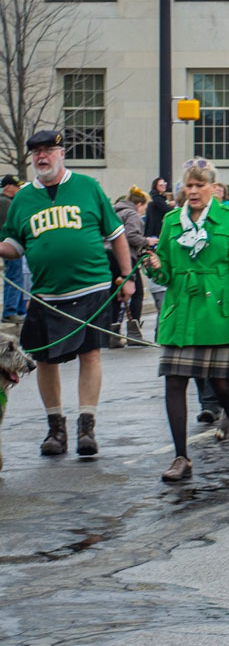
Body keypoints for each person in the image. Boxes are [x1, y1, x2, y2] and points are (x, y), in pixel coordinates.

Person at [0, 130, 134, 459]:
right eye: (37, 153)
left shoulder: (88, 187)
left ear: (61, 153)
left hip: (92, 288)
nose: (42, 157)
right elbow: (14, 246)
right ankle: (55, 428)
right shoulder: (23, 199)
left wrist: (127, 277)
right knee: (45, 360)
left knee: (90, 354)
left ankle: (87, 425)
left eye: (48, 150)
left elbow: (116, 235)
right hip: (46, 294)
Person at [143, 162, 229, 482]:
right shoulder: (171, 221)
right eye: (188, 185)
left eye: (199, 185)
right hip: (180, 312)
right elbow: (164, 272)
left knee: (222, 385)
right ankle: (181, 457)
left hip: (219, 311)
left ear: (212, 187)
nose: (192, 191)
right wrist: (153, 265)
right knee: (174, 381)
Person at [111, 186, 151, 347]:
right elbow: (131, 236)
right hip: (125, 256)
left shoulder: (115, 211)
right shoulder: (132, 213)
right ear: (139, 204)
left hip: (108, 255)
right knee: (137, 292)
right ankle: (133, 333)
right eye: (144, 209)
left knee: (114, 294)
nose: (143, 213)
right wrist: (147, 241)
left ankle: (112, 333)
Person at [0, 174, 26, 322]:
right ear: (8, 187)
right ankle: (10, 311)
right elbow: (10, 227)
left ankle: (18, 309)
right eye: (16, 186)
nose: (18, 189)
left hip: (7, 244)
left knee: (17, 275)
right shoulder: (5, 203)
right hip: (8, 245)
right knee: (15, 275)